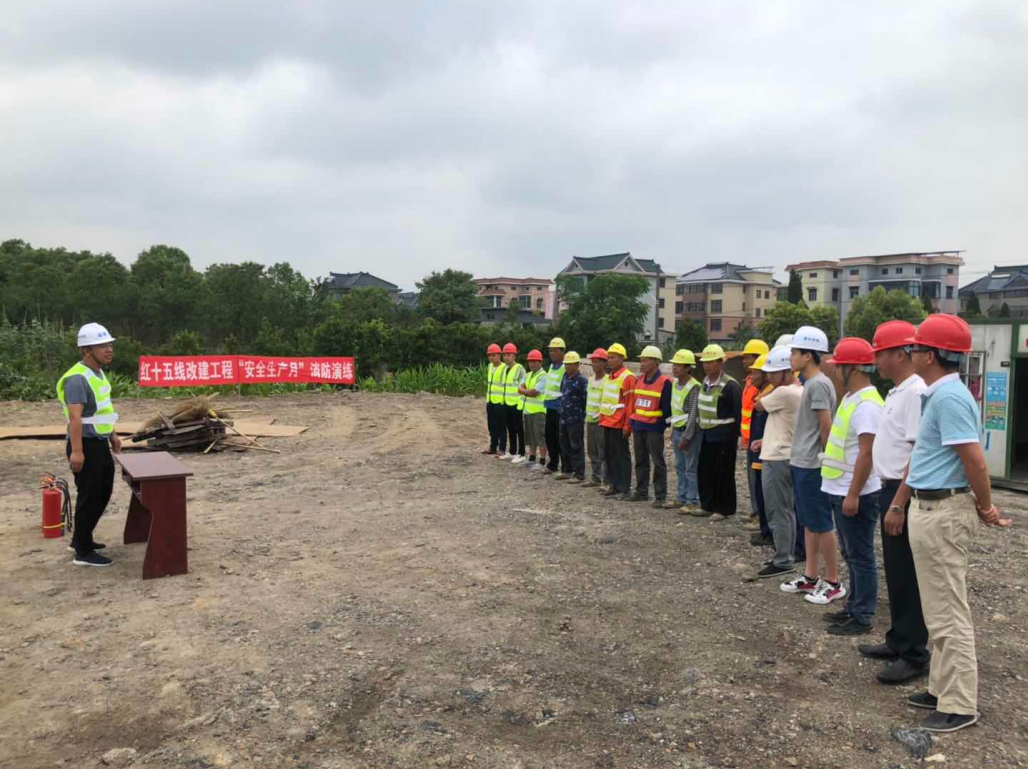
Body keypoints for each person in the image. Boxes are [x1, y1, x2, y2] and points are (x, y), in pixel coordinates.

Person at [900, 314, 1010, 733]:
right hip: (931, 509)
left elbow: (975, 462)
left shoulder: (948, 398)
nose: (910, 353)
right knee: (938, 608)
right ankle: (941, 688)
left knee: (948, 611)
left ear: (930, 355)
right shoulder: (940, 394)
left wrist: (986, 506)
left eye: (914, 347)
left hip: (943, 512)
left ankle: (960, 704)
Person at [858, 320, 930, 683]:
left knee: (908, 575)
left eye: (880, 353)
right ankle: (899, 640)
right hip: (890, 489)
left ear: (900, 354)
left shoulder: (916, 393)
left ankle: (914, 654)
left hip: (904, 493)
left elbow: (918, 453)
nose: (876, 361)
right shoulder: (898, 391)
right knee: (896, 573)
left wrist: (899, 502)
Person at [817, 338, 884, 634]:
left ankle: (862, 615)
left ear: (853, 368)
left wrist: (854, 494)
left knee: (861, 555)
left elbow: (867, 454)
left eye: (839, 365)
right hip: (840, 488)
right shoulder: (851, 398)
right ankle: (853, 607)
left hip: (854, 492)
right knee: (851, 553)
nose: (835, 370)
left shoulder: (867, 405)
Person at [781, 326, 841, 599]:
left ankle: (833, 581)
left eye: (795, 352)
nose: (791, 357)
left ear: (808, 355)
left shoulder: (817, 384)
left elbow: (825, 427)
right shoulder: (811, 383)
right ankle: (810, 575)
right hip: (803, 462)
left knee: (822, 523)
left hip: (813, 464)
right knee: (809, 522)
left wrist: (828, 463)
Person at [56, 323, 122, 567]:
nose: (109, 349)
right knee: (90, 495)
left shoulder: (97, 374)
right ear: (87, 350)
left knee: (102, 493)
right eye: (102, 345)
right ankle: (82, 552)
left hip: (99, 442)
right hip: (84, 444)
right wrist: (77, 451)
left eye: (109, 344)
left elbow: (101, 410)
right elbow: (75, 418)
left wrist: (112, 435)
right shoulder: (77, 378)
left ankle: (81, 539)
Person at [752, 346, 803, 578]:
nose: (769, 377)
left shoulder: (784, 392)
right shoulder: (799, 390)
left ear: (786, 371)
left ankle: (783, 560)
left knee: (777, 510)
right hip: (786, 453)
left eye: (773, 372)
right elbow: (786, 424)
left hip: (778, 458)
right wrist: (765, 439)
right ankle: (786, 554)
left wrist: (774, 386)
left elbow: (757, 403)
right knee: (787, 509)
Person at [694, 344, 742, 520]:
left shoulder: (730, 386)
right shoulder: (704, 383)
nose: (706, 365)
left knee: (723, 472)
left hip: (724, 436)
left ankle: (723, 508)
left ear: (720, 362)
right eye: (705, 362)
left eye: (711, 361)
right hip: (706, 434)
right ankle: (707, 505)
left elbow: (738, 412)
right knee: (705, 470)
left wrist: (736, 436)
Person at [627, 345, 672, 507]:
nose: (642, 363)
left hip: (654, 428)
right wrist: (632, 423)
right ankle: (641, 491)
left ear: (656, 362)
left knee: (658, 462)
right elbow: (635, 404)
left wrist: (661, 426)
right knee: (640, 460)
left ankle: (660, 495)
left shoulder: (664, 382)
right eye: (641, 360)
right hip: (639, 426)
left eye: (645, 360)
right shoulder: (639, 380)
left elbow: (667, 410)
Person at [740, 339, 770, 528]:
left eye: (748, 357)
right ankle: (755, 512)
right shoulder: (749, 382)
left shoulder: (765, 387)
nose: (744, 361)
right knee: (752, 479)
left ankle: (761, 517)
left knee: (759, 480)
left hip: (759, 439)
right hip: (749, 437)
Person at [744, 355, 774, 546]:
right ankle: (764, 530)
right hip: (757, 449)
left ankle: (769, 533)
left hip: (764, 453)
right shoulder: (762, 392)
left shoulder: (770, 396)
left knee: (766, 494)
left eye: (755, 372)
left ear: (766, 375)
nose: (752, 376)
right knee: (759, 491)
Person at [599, 343, 635, 498]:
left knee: (621, 456)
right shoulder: (610, 377)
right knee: (610, 455)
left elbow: (630, 403)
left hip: (619, 423)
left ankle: (624, 487)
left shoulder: (627, 377)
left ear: (622, 358)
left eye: (613, 357)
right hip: (608, 421)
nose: (610, 360)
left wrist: (627, 426)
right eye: (609, 357)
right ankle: (614, 485)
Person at [668, 349, 700, 512]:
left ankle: (692, 500)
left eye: (679, 365)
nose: (675, 368)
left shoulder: (694, 387)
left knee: (690, 468)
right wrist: (674, 431)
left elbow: (693, 414)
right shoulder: (675, 384)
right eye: (674, 364)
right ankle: (681, 497)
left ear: (688, 368)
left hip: (689, 433)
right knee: (679, 466)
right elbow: (676, 410)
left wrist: (687, 436)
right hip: (677, 430)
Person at [556, 351, 589, 482]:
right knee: (564, 445)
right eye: (566, 364)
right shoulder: (565, 377)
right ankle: (567, 470)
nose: (567, 367)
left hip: (575, 419)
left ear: (577, 364)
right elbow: (562, 392)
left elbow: (585, 400)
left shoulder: (582, 381)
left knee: (576, 446)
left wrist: (581, 415)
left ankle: (579, 474)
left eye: (570, 364)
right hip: (563, 417)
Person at [518, 350, 549, 471]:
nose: (532, 364)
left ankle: (542, 460)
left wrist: (525, 391)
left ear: (540, 362)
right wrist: (527, 391)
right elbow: (519, 389)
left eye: (535, 361)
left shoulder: (543, 376)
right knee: (530, 436)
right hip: (528, 410)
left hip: (539, 411)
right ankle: (531, 458)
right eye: (530, 361)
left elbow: (534, 392)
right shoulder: (528, 375)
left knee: (540, 436)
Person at [583, 348, 609, 487]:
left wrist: (600, 414)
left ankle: (606, 481)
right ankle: (595, 477)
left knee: (603, 451)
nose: (594, 364)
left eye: (597, 362)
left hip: (601, 421)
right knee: (592, 450)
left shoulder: (607, 380)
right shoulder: (591, 380)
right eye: (593, 362)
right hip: (590, 420)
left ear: (605, 363)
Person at [542, 337, 567, 475]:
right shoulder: (552, 366)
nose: (551, 353)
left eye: (554, 350)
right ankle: (553, 464)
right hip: (550, 406)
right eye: (550, 350)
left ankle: (565, 466)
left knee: (560, 438)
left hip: (559, 408)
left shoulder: (565, 367)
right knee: (549, 436)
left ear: (562, 351)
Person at [501, 343, 527, 463]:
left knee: (519, 429)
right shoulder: (505, 369)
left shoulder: (520, 369)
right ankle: (512, 451)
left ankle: (521, 453)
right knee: (510, 428)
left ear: (514, 356)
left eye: (509, 355)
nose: (506, 357)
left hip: (517, 403)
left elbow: (524, 385)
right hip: (507, 403)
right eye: (504, 355)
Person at [483, 343, 507, 456]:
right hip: (490, 401)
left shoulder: (505, 367)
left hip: (500, 402)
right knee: (491, 426)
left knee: (501, 426)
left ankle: (502, 448)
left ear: (499, 355)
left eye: (494, 355)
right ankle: (493, 447)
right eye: (490, 355)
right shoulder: (490, 366)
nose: (491, 357)